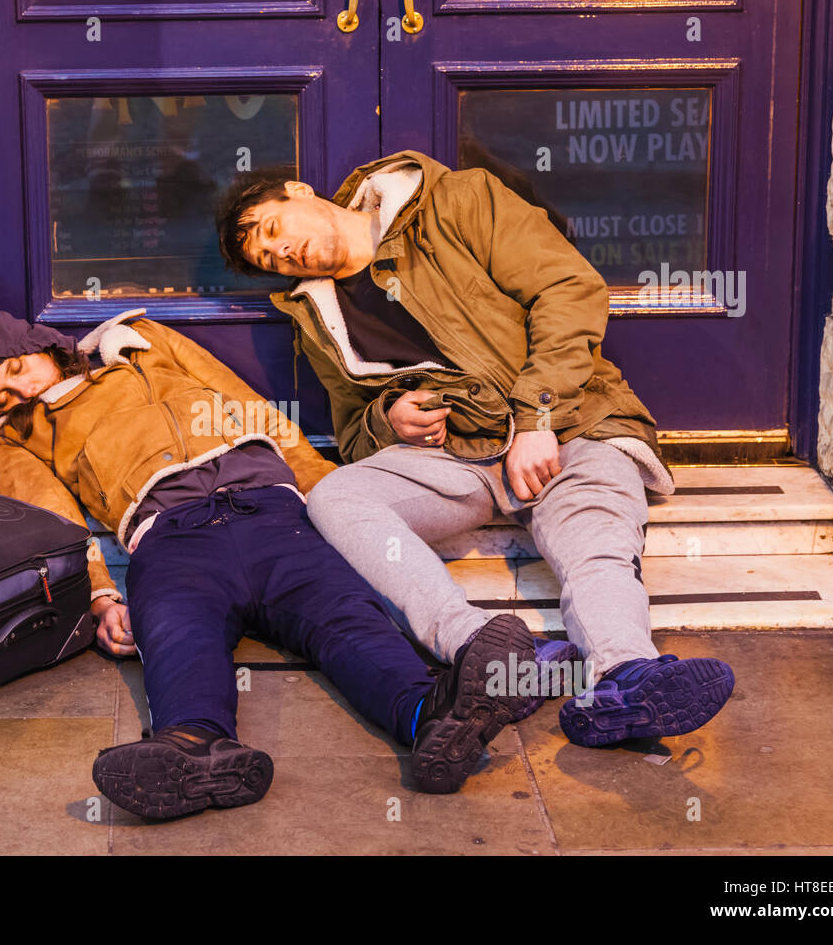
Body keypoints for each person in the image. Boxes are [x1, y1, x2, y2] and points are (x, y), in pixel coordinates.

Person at [0, 279, 543, 818]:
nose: (19, 393)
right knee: (175, 630)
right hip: (170, 536)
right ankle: (194, 748)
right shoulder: (22, 437)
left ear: (35, 344)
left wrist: (321, 481)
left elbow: (250, 406)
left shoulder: (142, 343)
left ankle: (431, 716)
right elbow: (52, 521)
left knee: (347, 615)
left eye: (14, 371)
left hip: (273, 513)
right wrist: (101, 593)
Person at [214, 151, 735, 748]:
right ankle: (482, 650)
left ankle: (624, 678)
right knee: (336, 495)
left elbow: (568, 288)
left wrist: (536, 415)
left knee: (593, 541)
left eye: (275, 231)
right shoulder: (316, 316)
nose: (285, 254)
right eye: (271, 260)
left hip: (568, 424)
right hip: (458, 460)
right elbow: (354, 432)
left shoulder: (457, 200)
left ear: (299, 191)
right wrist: (390, 419)